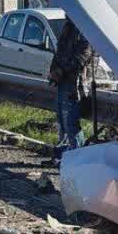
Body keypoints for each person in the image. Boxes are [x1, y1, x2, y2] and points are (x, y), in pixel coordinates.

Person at [48, 20, 95, 151]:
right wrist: (54, 70)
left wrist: (61, 70)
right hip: (62, 82)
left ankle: (77, 155)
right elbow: (59, 52)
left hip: (76, 85)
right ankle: (65, 156)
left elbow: (82, 57)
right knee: (63, 123)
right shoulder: (68, 26)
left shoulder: (84, 28)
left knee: (71, 124)